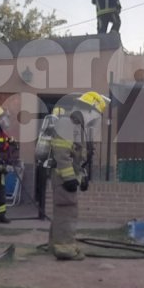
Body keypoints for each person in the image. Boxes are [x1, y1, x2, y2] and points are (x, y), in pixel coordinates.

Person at [42, 91, 108, 260]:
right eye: (96, 114)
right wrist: (69, 178)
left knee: (62, 212)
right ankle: (65, 248)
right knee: (67, 211)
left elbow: (78, 157)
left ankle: (54, 244)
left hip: (68, 176)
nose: (96, 119)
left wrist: (82, 177)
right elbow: (62, 154)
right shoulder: (67, 124)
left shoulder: (77, 127)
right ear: (89, 110)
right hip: (62, 177)